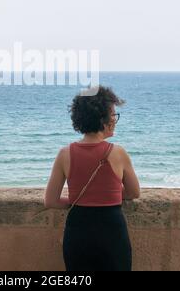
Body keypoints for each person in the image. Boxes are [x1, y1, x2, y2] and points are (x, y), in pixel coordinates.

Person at [44, 85, 140, 271]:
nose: (115, 119)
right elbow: (134, 192)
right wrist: (107, 195)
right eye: (113, 114)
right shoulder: (118, 153)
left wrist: (79, 201)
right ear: (103, 119)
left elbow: (50, 201)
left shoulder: (64, 154)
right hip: (112, 231)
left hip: (78, 230)